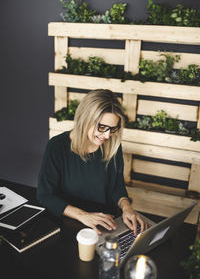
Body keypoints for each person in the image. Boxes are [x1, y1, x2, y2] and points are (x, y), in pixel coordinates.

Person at [37, 89, 148, 235]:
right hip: (68, 223)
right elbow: (45, 195)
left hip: (106, 223)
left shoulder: (113, 145)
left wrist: (127, 208)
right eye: (102, 127)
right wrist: (83, 215)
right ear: (85, 119)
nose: (107, 135)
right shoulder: (57, 146)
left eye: (112, 128)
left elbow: (117, 186)